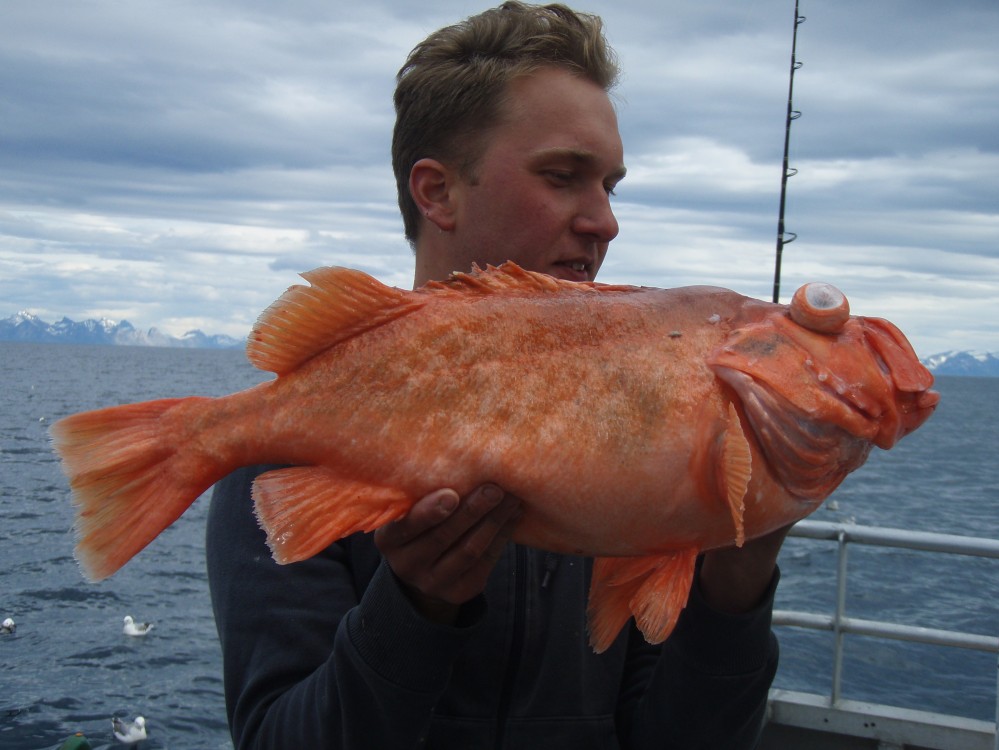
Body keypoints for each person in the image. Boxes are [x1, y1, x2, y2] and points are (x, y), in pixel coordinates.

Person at [206, 3, 787, 748]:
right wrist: (415, 607)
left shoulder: (641, 437)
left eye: (611, 185)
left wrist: (733, 591)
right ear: (437, 192)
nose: (605, 220)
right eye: (563, 176)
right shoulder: (281, 444)